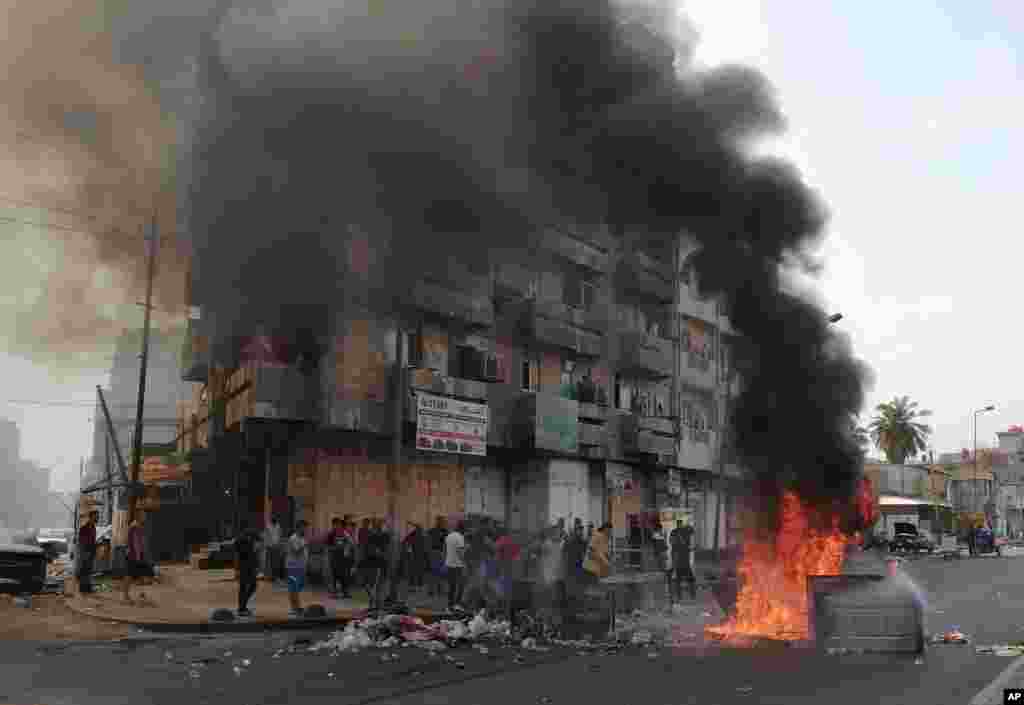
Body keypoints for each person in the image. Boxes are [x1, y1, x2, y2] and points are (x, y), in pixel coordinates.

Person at [120, 514, 154, 605]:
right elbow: (135, 543)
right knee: (129, 576)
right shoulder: (134, 527)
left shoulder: (139, 527)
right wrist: (138, 557)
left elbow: (141, 543)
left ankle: (141, 596)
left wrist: (143, 556)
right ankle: (125, 596)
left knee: (142, 576)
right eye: (143, 516)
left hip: (138, 556)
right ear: (138, 517)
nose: (145, 518)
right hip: (133, 556)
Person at [234, 525, 261, 617]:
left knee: (252, 585)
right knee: (243, 587)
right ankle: (241, 608)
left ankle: (243, 606)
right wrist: (236, 570)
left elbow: (254, 555)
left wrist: (256, 567)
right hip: (243, 567)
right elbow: (237, 556)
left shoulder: (251, 542)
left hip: (250, 567)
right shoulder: (239, 541)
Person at [364, 518, 390, 609]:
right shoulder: (371, 535)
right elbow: (368, 549)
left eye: (380, 524)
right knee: (372, 584)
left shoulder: (385, 535)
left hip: (381, 562)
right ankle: (373, 602)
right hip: (373, 562)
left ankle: (377, 603)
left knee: (380, 584)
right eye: (376, 524)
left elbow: (387, 548)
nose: (378, 526)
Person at [326, 516, 355, 599]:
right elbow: (327, 547)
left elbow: (351, 544)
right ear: (333, 525)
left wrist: (347, 548)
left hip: (344, 558)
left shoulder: (345, 534)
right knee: (334, 576)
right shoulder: (331, 534)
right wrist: (336, 548)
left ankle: (345, 592)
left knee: (345, 575)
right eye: (336, 524)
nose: (338, 526)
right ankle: (333, 593)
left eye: (339, 524)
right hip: (334, 558)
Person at [286, 520, 309, 618]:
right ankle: (295, 608)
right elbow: (296, 551)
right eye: (304, 528)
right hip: (293, 566)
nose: (306, 530)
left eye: (306, 528)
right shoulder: (294, 538)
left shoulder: (302, 538)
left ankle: (296, 606)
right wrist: (304, 545)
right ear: (299, 528)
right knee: (294, 587)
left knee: (299, 586)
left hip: (301, 566)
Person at [669, 520, 696, 602]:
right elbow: (692, 531)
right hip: (683, 561)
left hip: (681, 561)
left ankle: (683, 595)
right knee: (687, 579)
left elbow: (671, 542)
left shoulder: (676, 532)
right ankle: (690, 594)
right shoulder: (681, 532)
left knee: (680, 580)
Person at [445, 520, 467, 610]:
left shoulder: (449, 536)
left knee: (452, 586)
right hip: (458, 565)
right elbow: (460, 552)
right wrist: (465, 563)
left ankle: (450, 604)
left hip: (449, 563)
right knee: (461, 585)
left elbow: (445, 549)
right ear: (462, 529)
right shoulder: (460, 538)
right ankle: (457, 604)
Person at [77, 510, 99, 595]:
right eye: (96, 516)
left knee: (89, 571)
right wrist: (84, 553)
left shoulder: (93, 527)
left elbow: (92, 540)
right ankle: (83, 589)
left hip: (90, 551)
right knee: (84, 570)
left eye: (98, 516)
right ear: (91, 517)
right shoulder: (84, 528)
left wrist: (95, 546)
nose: (98, 518)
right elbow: (82, 542)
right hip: (85, 552)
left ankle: (88, 588)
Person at [427, 516, 449, 597]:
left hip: (440, 552)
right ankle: (432, 589)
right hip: (434, 552)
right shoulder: (432, 531)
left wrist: (445, 553)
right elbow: (428, 541)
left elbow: (446, 543)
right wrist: (429, 551)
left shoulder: (444, 531)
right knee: (434, 572)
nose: (442, 522)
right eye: (441, 521)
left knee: (440, 572)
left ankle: (438, 589)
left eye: (442, 521)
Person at [403, 523, 428, 592]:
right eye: (419, 528)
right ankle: (415, 586)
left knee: (417, 571)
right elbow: (405, 541)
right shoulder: (417, 534)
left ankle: (415, 586)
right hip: (416, 555)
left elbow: (405, 541)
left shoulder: (417, 534)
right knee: (416, 571)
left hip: (418, 555)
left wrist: (407, 549)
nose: (419, 529)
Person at [264, 515, 284, 583]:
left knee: (276, 563)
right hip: (270, 547)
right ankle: (269, 576)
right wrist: (267, 545)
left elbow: (280, 536)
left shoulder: (278, 526)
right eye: (273, 520)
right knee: (269, 563)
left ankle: (275, 577)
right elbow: (266, 537)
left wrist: (279, 545)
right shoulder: (268, 526)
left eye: (275, 520)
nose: (275, 521)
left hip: (276, 547)